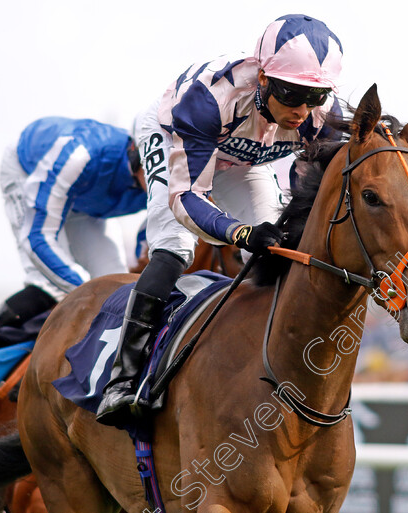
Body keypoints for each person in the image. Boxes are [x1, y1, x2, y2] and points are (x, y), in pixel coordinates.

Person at [95, 13, 345, 426]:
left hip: (242, 155)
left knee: (284, 248)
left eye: (314, 98)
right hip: (176, 136)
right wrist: (240, 232)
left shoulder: (322, 115)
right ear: (263, 78)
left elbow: (309, 193)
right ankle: (122, 378)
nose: (302, 110)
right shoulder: (210, 98)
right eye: (291, 93)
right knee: (175, 247)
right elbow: (187, 198)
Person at [0, 116, 147, 409]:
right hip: (31, 176)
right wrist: (82, 291)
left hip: (83, 200)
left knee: (117, 283)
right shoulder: (81, 154)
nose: (168, 176)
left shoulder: (170, 172)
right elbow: (38, 238)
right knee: (50, 281)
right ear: (136, 151)